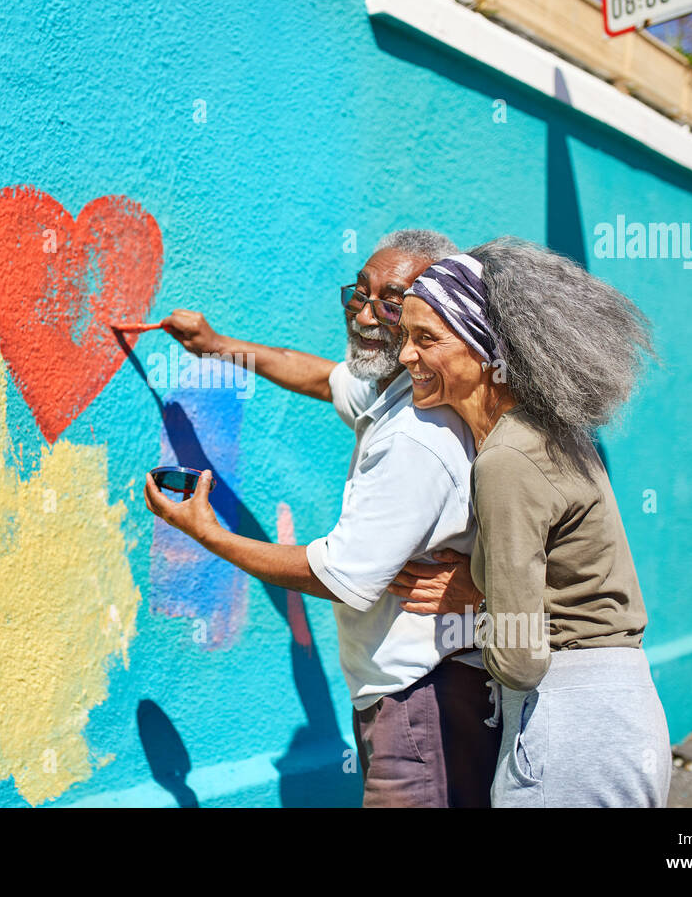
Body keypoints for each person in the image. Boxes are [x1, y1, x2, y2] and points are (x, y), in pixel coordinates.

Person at [144, 230, 501, 808]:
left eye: (391, 302)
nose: (364, 315)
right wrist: (217, 345)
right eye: (358, 294)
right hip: (404, 692)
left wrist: (207, 533)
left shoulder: (419, 433)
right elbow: (320, 376)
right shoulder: (400, 386)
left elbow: (340, 576)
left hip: (422, 696)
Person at [392, 237, 672, 807]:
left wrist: (473, 599)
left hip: (570, 721)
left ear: (483, 346)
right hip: (618, 709)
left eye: (427, 339)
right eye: (404, 337)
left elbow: (520, 659)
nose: (405, 357)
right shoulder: (550, 431)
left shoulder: (505, 462)